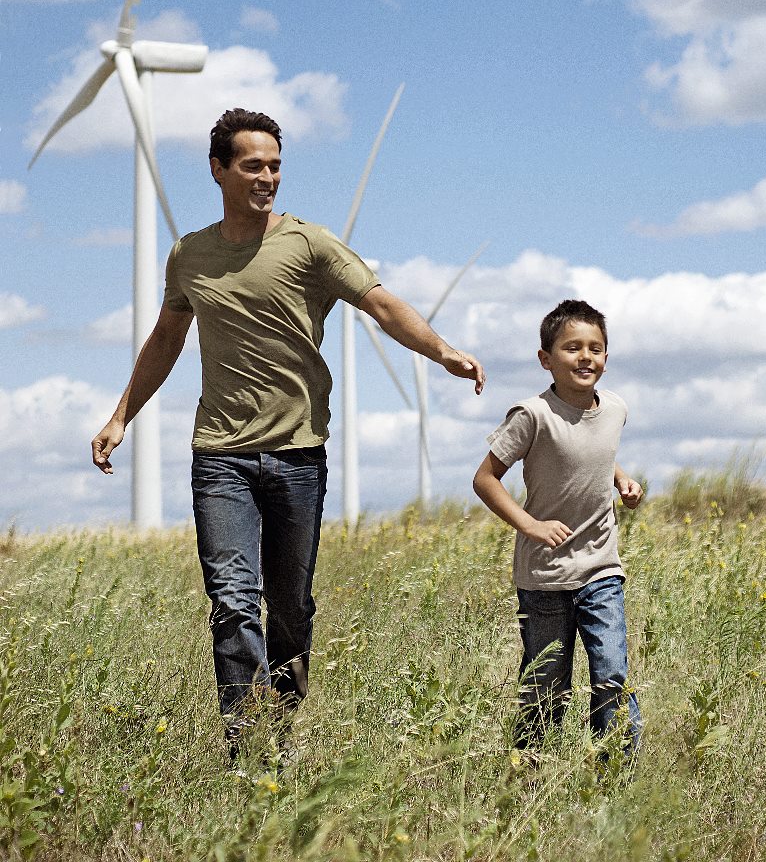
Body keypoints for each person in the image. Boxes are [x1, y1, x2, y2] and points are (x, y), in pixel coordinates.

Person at [91, 108, 484, 758]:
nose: (267, 178)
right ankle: (246, 748)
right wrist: (119, 416)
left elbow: (381, 303)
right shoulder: (190, 256)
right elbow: (166, 337)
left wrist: (441, 351)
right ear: (218, 170)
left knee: (291, 608)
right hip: (220, 457)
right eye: (253, 166)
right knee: (233, 602)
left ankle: (281, 724)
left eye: (275, 166)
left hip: (299, 455)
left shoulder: (310, 245)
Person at [472, 298, 642, 755]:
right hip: (544, 576)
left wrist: (622, 479)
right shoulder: (532, 415)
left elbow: (595, 451)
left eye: (595, 348)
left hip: (602, 567)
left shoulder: (616, 409)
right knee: (547, 686)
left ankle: (614, 772)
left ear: (606, 357)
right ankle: (530, 771)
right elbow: (485, 479)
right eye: (572, 348)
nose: (585, 357)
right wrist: (530, 525)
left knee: (612, 674)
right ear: (546, 359)